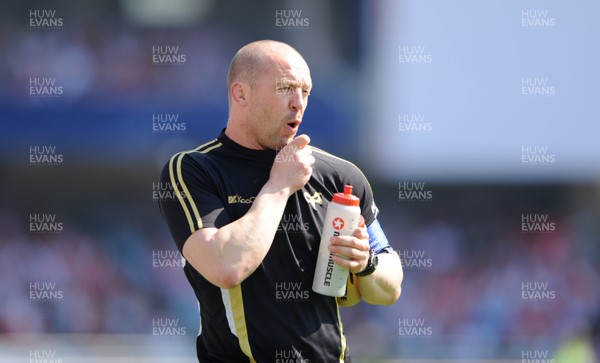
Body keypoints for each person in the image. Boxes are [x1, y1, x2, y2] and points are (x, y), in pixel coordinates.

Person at [159, 39, 403, 363]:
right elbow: (226, 266)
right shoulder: (194, 170)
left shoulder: (340, 176)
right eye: (285, 87)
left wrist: (367, 262)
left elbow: (390, 287)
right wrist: (279, 186)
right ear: (240, 93)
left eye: (306, 91)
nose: (298, 102)